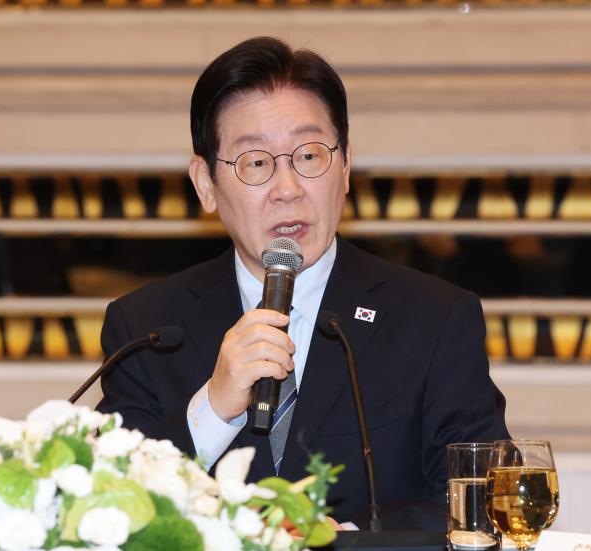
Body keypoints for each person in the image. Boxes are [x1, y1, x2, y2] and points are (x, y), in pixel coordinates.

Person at [97, 36, 509, 527]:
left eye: (309, 156)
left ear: (346, 166)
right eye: (256, 163)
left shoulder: (434, 318)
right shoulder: (145, 329)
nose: (288, 189)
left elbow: (480, 500)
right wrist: (214, 407)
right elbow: (107, 510)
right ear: (206, 184)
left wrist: (344, 540)